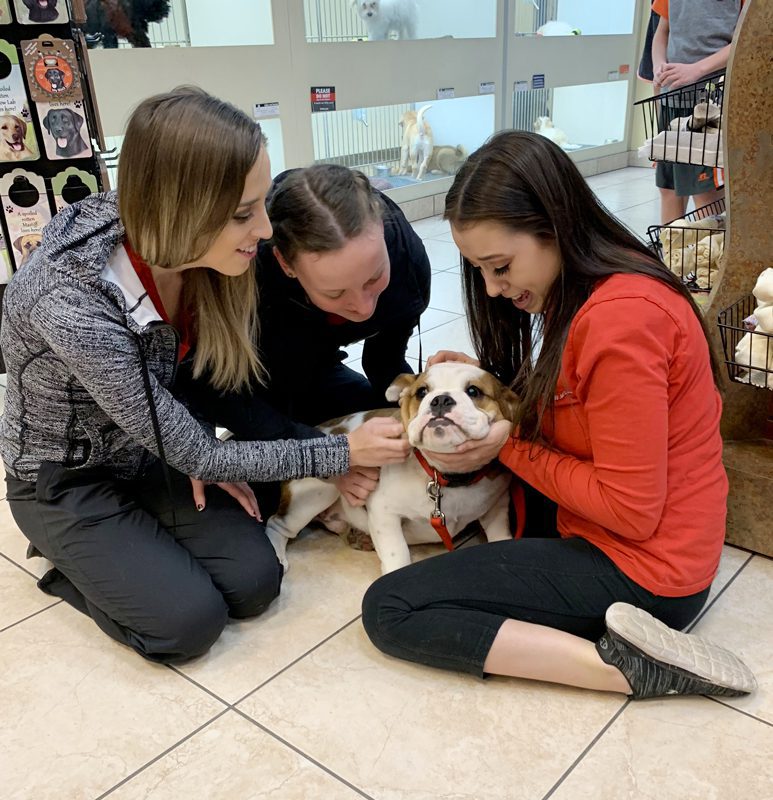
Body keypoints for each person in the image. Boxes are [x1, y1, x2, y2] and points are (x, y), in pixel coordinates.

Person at [0, 87, 409, 663]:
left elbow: (202, 399)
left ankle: (131, 550)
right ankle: (62, 559)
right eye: (244, 213)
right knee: (186, 624)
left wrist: (187, 448)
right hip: (65, 477)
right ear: (181, 209)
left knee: (254, 582)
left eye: (261, 202)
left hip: (152, 452)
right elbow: (206, 456)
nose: (265, 231)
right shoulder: (70, 301)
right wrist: (339, 452)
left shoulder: (204, 255)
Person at [361, 131, 757, 700]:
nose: (494, 290)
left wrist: (507, 447)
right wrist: (487, 388)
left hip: (647, 573)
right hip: (641, 545)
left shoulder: (621, 322)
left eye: (500, 266)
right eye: (480, 272)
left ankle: (626, 668)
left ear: (554, 226)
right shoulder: (600, 292)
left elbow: (631, 510)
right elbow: (587, 407)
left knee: (391, 606)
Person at [178, 164, 430, 432]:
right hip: (253, 381)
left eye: (373, 278)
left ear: (380, 227)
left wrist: (424, 399)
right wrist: (324, 454)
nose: (363, 307)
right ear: (286, 265)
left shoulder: (405, 259)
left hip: (317, 364)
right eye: (335, 292)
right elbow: (216, 391)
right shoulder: (248, 279)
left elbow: (383, 360)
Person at [651, 0, 744, 223]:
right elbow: (662, 32)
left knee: (706, 194)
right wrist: (658, 64)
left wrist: (696, 70)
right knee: (669, 189)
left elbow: (745, 41)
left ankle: (704, 257)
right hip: (671, 99)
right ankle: (671, 255)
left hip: (711, 102)